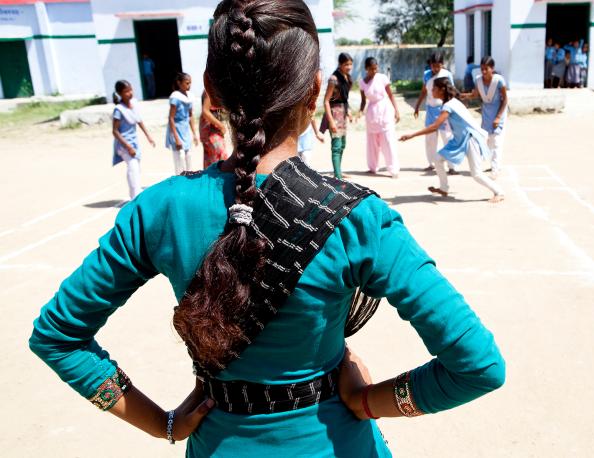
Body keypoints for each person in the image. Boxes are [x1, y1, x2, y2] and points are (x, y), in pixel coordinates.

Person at [29, 2, 505, 457]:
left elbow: (57, 336)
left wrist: (163, 424)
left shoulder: (158, 209)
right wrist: (366, 401)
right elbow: (478, 367)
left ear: (211, 93)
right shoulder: (360, 221)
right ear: (315, 91)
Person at [401, 77, 505, 203]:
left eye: (434, 88)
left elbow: (435, 127)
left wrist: (412, 135)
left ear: (441, 90)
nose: (432, 91)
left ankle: (499, 192)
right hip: (458, 140)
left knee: (476, 173)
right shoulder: (451, 103)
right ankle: (444, 188)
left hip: (470, 139)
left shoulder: (449, 106)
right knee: (438, 159)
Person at [461, 56, 507, 179]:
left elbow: (505, 100)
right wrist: (464, 96)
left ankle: (495, 169)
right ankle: (493, 165)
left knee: (496, 140)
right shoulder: (478, 80)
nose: (484, 72)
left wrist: (498, 117)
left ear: (492, 68)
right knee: (487, 140)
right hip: (486, 113)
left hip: (498, 112)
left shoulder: (499, 81)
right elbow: (475, 94)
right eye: (482, 69)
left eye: (486, 69)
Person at [413, 52, 458, 175]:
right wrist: (417, 106)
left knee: (447, 137)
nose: (435, 69)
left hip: (443, 109)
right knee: (430, 139)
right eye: (433, 66)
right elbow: (423, 91)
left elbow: (452, 92)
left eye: (438, 66)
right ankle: (431, 163)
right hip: (430, 109)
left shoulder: (447, 74)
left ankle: (452, 166)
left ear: (442, 65)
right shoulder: (426, 75)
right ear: (430, 65)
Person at [111, 80, 155, 200]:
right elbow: (115, 131)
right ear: (120, 93)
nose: (130, 93)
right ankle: (134, 196)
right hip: (124, 144)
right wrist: (128, 147)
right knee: (133, 167)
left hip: (134, 142)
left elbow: (139, 120)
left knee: (136, 168)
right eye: (126, 91)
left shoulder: (133, 105)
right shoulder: (119, 110)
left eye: (131, 90)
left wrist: (148, 136)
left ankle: (136, 192)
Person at [359, 56, 400, 178]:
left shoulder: (382, 78)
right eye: (372, 69)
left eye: (376, 68)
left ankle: (393, 169)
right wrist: (359, 112)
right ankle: (372, 167)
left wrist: (396, 110)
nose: (374, 71)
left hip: (384, 110)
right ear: (366, 69)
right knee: (372, 142)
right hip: (372, 113)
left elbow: (391, 95)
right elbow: (363, 101)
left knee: (388, 140)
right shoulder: (362, 82)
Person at [321, 52, 353, 179]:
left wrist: (348, 112)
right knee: (336, 146)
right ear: (340, 64)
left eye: (351, 64)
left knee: (343, 144)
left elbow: (345, 98)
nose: (349, 67)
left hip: (343, 114)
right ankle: (338, 176)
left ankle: (338, 171)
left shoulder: (347, 77)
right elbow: (326, 101)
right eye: (346, 64)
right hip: (334, 114)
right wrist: (331, 121)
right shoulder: (333, 79)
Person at [165, 72, 199, 174]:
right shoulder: (175, 98)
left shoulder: (189, 97)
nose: (189, 86)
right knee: (180, 157)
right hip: (176, 129)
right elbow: (171, 118)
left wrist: (194, 134)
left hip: (185, 130)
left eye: (190, 83)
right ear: (179, 83)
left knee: (188, 156)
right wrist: (176, 138)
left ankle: (188, 179)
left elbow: (190, 116)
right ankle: (179, 180)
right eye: (187, 83)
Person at [200, 89, 229, 168]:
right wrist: (221, 126)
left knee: (211, 157)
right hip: (209, 127)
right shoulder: (209, 89)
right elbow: (205, 111)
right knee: (219, 154)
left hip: (213, 125)